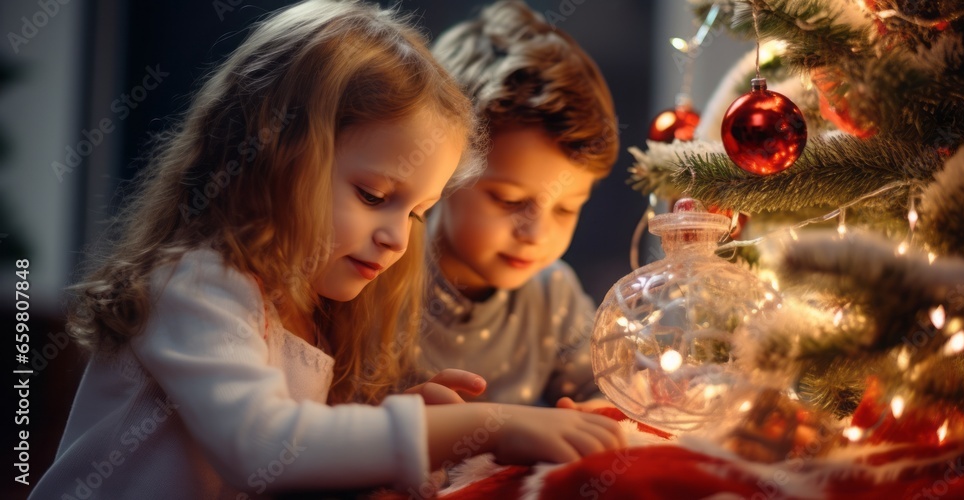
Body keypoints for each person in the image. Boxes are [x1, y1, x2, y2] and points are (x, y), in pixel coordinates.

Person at [29, 2, 624, 498]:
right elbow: (266, 448)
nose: (398, 237)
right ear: (275, 154)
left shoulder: (316, 311)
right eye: (373, 195)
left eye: (417, 212)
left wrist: (399, 431)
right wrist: (483, 424)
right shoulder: (198, 284)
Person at [415, 0, 619, 410]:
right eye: (510, 200)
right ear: (443, 172)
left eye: (566, 209)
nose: (537, 234)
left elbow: (606, 392)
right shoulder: (377, 275)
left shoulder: (552, 294)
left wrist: (593, 413)